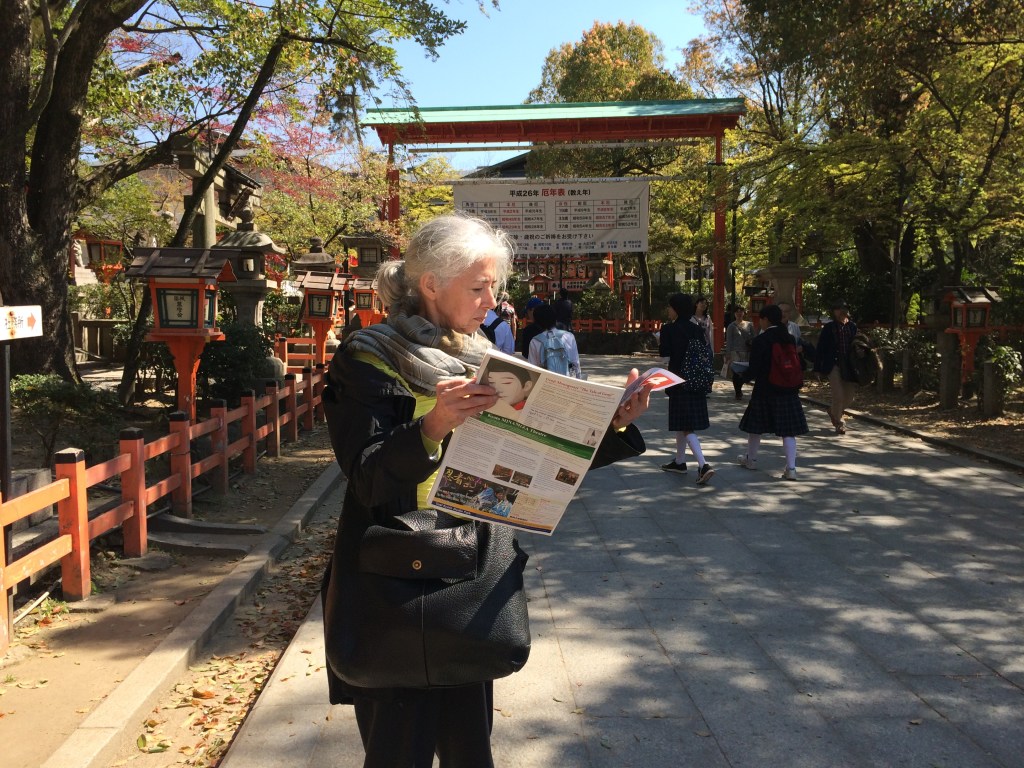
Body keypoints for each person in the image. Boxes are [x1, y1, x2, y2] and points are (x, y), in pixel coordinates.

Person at [321, 213, 652, 768]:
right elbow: (367, 475)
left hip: (470, 567)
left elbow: (545, 459)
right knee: (394, 747)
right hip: (391, 575)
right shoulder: (367, 357)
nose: (491, 301)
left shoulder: (485, 360)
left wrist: (610, 423)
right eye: (478, 287)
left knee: (469, 747)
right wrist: (431, 427)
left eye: (494, 286)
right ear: (430, 284)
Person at [736, 304, 808, 481]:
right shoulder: (790, 338)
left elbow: (755, 368)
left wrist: (742, 377)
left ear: (766, 319)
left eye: (761, 319)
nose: (760, 323)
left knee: (755, 427)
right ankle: (791, 468)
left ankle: (751, 459)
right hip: (788, 390)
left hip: (765, 389)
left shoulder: (761, 340)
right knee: (788, 431)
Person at [659, 293, 715, 485]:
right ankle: (680, 461)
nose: (668, 310)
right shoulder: (697, 329)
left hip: (678, 381)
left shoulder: (668, 329)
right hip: (697, 382)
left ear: (676, 309)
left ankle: (703, 464)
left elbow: (665, 355)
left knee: (686, 425)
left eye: (670, 307)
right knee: (683, 423)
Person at [813, 300, 858, 435]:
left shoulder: (853, 327)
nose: (841, 311)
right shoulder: (829, 328)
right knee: (838, 395)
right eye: (837, 309)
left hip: (849, 366)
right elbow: (820, 348)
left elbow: (858, 344)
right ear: (834, 312)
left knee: (850, 397)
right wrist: (817, 368)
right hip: (833, 365)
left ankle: (833, 411)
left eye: (843, 308)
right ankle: (839, 422)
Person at [528, 303, 582, 378]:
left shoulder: (535, 341)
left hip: (546, 383)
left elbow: (532, 369)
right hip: (567, 381)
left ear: (537, 322)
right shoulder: (569, 336)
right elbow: (576, 363)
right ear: (555, 319)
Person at [724, 305, 754, 400]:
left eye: (741, 311)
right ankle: (738, 391)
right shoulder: (731, 326)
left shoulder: (750, 325)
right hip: (735, 352)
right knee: (736, 372)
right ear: (734, 314)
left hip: (747, 351)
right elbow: (729, 340)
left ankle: (739, 388)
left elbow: (754, 338)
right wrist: (728, 353)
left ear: (744, 313)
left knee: (744, 372)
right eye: (737, 312)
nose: (739, 313)